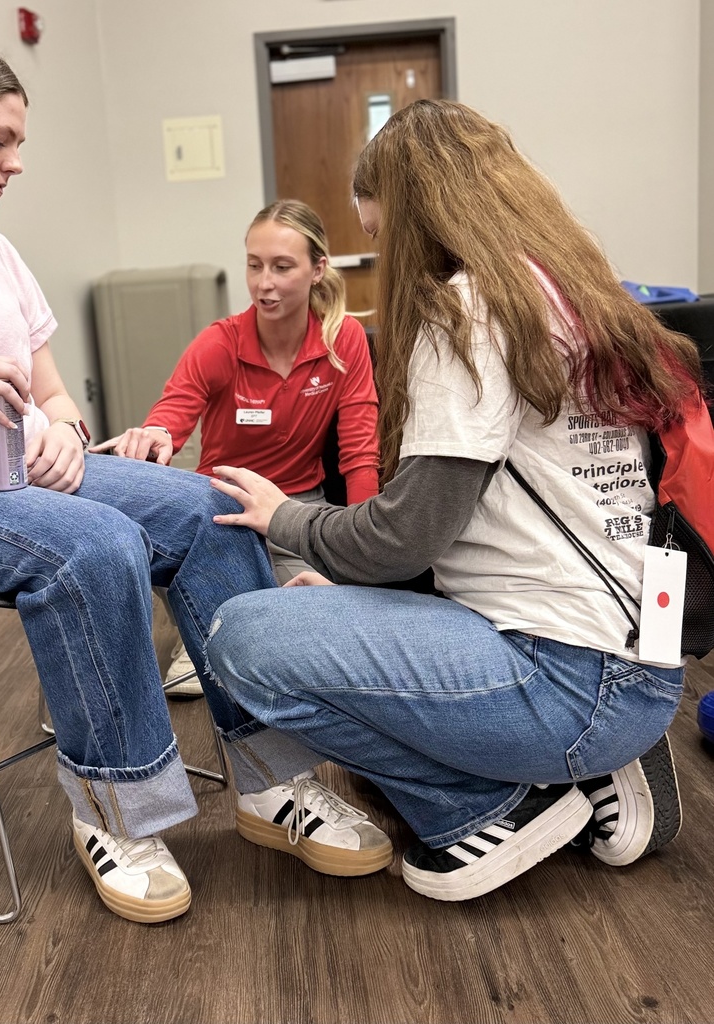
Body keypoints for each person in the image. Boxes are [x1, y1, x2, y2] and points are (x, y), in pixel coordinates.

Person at [0, 31, 393, 924]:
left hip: (15, 482)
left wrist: (58, 429)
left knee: (213, 507)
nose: (13, 163)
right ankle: (118, 812)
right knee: (95, 546)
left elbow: (51, 392)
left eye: (19, 144)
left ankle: (270, 783)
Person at [204, 99, 702, 902]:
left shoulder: (467, 312)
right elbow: (481, 524)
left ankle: (495, 810)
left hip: (569, 681)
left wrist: (286, 516)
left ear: (411, 217)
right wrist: (359, 601)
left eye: (378, 232)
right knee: (323, 624)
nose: (380, 255)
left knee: (243, 638)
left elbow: (406, 534)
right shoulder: (573, 293)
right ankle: (596, 756)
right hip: (643, 649)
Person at [92, 200, 379, 695]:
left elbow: (359, 449)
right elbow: (171, 417)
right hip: (221, 512)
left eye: (282, 267)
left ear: (318, 270)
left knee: (335, 628)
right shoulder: (220, 344)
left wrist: (366, 556)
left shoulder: (343, 340)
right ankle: (211, 623)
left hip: (298, 510)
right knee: (252, 636)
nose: (264, 282)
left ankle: (232, 617)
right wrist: (156, 435)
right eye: (254, 264)